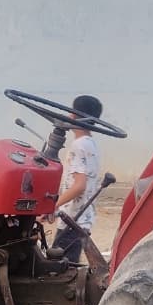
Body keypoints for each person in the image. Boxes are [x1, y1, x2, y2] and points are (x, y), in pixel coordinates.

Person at [50, 94, 103, 265]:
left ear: (73, 115)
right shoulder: (90, 144)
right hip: (80, 218)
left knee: (59, 267)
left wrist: (53, 204)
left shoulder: (79, 145)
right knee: (67, 264)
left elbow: (79, 186)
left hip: (72, 220)